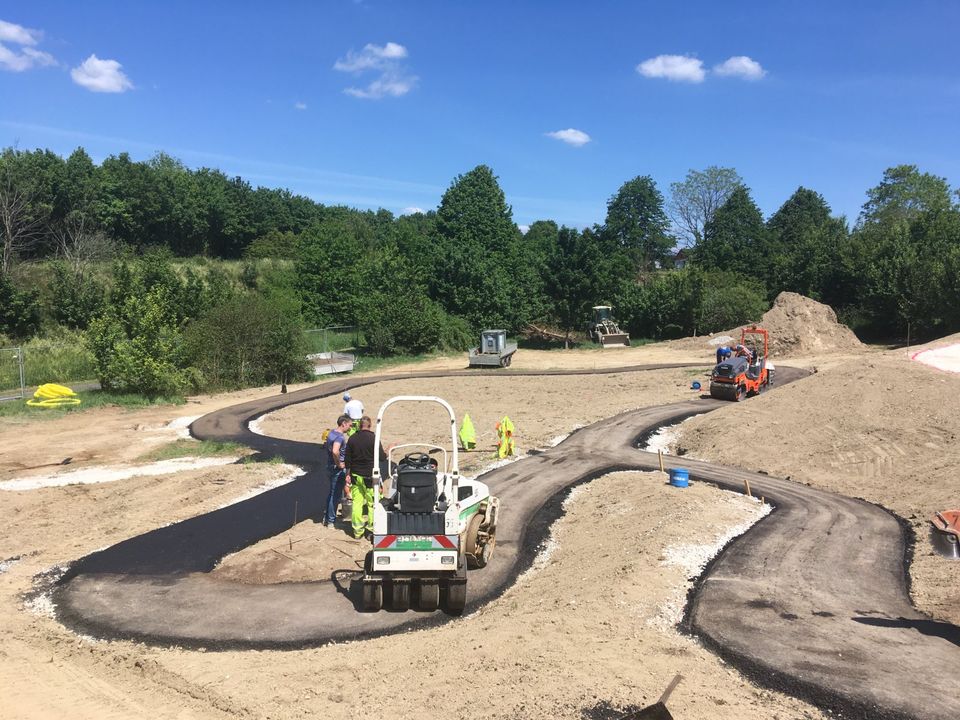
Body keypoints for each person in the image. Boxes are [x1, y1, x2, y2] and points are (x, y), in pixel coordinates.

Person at [344, 415, 389, 540]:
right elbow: (382, 458)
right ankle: (371, 530)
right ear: (370, 426)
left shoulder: (352, 439)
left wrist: (348, 474)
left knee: (357, 504)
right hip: (371, 478)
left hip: (356, 476)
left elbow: (348, 459)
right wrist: (388, 451)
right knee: (372, 504)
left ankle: (357, 531)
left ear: (359, 425)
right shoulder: (374, 439)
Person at [322, 415, 352, 526]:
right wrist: (339, 463)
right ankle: (331, 521)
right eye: (349, 425)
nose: (350, 428)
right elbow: (335, 451)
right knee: (335, 495)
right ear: (343, 423)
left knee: (331, 493)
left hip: (329, 466)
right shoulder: (339, 437)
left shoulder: (331, 433)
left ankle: (327, 518)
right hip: (336, 469)